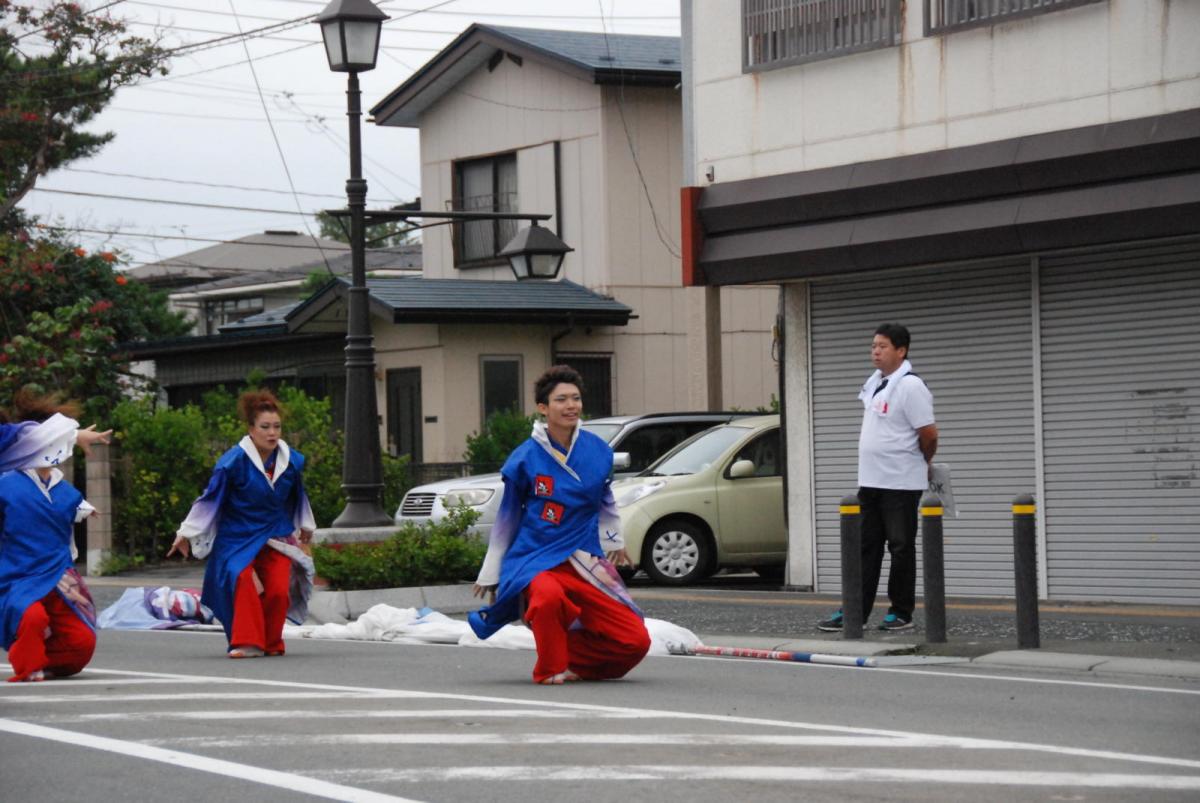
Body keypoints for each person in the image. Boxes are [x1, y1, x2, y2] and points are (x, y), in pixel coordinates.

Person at [469, 365, 651, 684]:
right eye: (561, 399)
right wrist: (492, 573)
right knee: (548, 598)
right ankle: (550, 667)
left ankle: (572, 660)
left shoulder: (597, 451)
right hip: (535, 557)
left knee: (634, 641)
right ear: (543, 408)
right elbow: (507, 517)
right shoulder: (525, 457)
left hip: (584, 557)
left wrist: (614, 541)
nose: (571, 406)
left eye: (576, 399)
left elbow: (604, 498)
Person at [167, 389, 315, 658]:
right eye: (265, 427)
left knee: (279, 590)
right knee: (242, 579)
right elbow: (210, 499)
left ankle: (270, 643)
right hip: (237, 535)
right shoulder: (233, 462)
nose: (272, 433)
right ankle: (247, 642)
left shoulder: (291, 461)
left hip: (275, 533)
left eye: (277, 427)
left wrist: (306, 526)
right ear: (251, 429)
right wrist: (186, 533)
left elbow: (298, 496)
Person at [819, 323, 938, 632]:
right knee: (865, 547)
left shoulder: (911, 386)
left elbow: (928, 433)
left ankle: (901, 612)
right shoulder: (876, 382)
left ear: (901, 350)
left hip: (900, 482)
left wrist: (922, 461)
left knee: (900, 547)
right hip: (870, 481)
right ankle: (855, 609)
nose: (875, 351)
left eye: (883, 346)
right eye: (873, 346)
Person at [0, 407, 99, 682]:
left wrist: (85, 509)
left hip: (58, 573)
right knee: (32, 619)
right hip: (18, 574)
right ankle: (29, 664)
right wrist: (76, 434)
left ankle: (48, 662)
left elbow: (72, 508)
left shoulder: (66, 491)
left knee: (82, 640)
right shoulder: (5, 484)